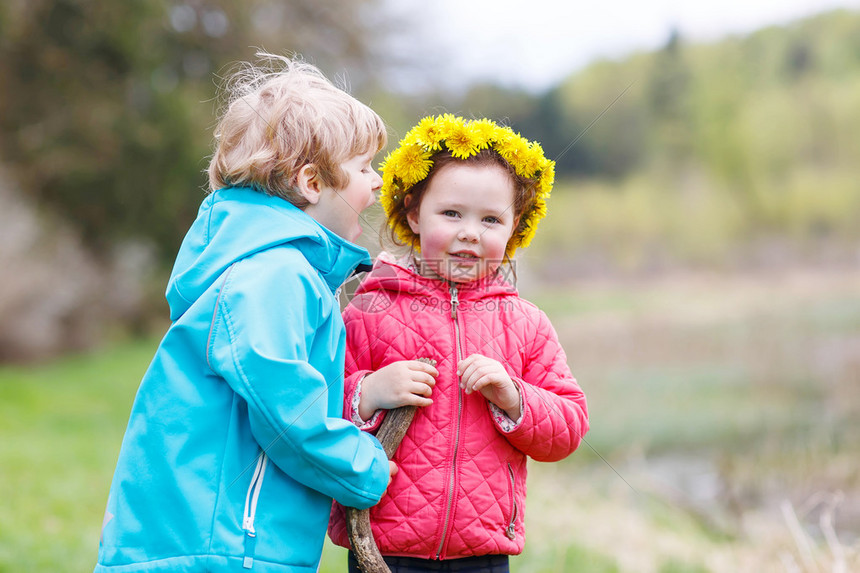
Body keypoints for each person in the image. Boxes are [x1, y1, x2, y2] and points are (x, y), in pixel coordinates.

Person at [94, 53, 396, 573]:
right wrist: (364, 467)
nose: (376, 182)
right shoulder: (273, 273)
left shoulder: (258, 264)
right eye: (364, 167)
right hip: (228, 547)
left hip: (202, 543)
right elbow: (285, 412)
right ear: (312, 183)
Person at [328, 115, 590, 573]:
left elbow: (569, 426)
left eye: (491, 219)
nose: (471, 231)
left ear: (515, 227)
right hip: (383, 544)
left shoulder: (525, 323)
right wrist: (367, 394)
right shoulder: (369, 310)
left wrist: (514, 397)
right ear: (413, 213)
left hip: (482, 553)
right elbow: (316, 409)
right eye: (452, 214)